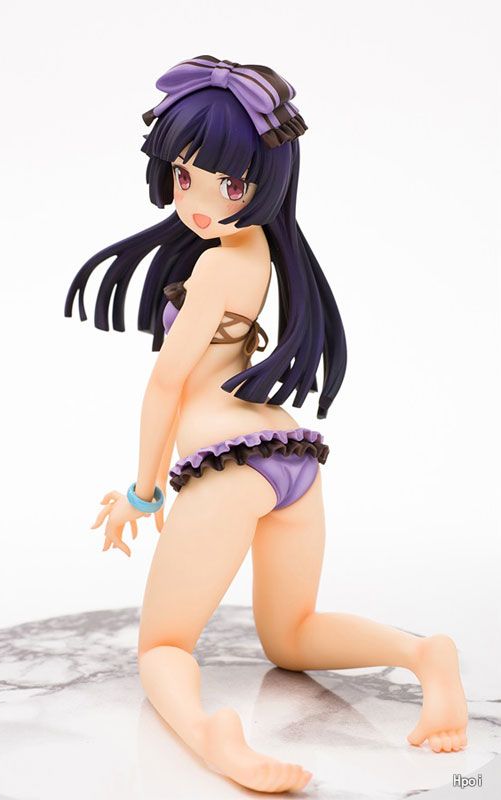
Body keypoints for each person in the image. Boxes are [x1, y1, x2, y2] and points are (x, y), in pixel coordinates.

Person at [65, 55, 468, 794]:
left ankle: (210, 737)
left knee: (162, 646)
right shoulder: (251, 251)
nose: (199, 202)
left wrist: (143, 492)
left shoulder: (217, 266)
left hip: (226, 464)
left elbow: (166, 384)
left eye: (229, 185)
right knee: (291, 636)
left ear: (266, 183)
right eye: (183, 175)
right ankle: (423, 655)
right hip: (289, 458)